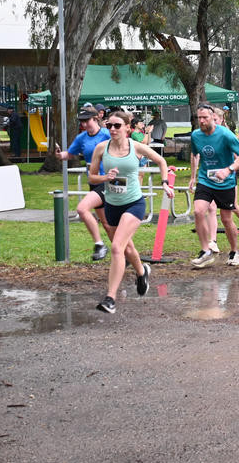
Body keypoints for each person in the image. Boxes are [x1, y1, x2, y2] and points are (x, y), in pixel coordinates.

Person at [89, 111, 173, 314]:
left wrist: (164, 183)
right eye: (109, 125)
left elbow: (161, 162)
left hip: (134, 204)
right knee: (127, 248)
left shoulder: (136, 147)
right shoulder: (101, 148)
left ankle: (110, 298)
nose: (112, 129)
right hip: (112, 205)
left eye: (117, 126)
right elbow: (91, 177)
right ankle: (142, 271)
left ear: (128, 127)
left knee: (117, 247)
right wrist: (105, 178)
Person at [188, 103, 239, 268]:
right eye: (199, 118)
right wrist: (193, 176)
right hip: (206, 180)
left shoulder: (225, 134)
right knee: (198, 211)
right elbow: (195, 155)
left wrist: (228, 170)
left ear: (212, 118)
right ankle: (206, 251)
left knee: (226, 219)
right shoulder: (195, 135)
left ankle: (234, 251)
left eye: (205, 118)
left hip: (225, 182)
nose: (201, 121)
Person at [55, 106, 111, 261]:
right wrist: (61, 155)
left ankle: (99, 244)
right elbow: (70, 153)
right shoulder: (82, 138)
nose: (84, 124)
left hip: (107, 181)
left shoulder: (107, 134)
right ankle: (123, 252)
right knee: (107, 223)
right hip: (94, 181)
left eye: (87, 121)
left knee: (82, 208)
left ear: (95, 119)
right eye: (82, 122)